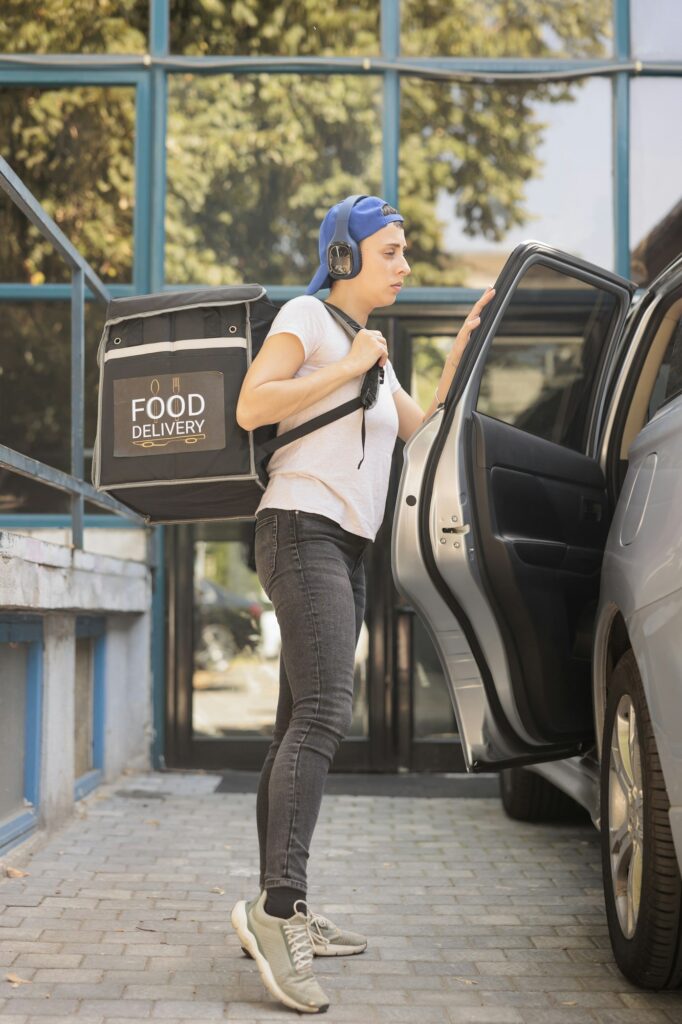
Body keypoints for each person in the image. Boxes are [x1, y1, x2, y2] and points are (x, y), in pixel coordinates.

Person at [230, 194, 495, 1013]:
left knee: (293, 728)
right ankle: (276, 912)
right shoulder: (307, 316)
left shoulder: (373, 354)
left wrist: (463, 347)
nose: (405, 263)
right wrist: (348, 367)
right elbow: (251, 405)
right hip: (300, 526)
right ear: (345, 257)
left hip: (344, 543)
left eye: (406, 250)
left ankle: (287, 905)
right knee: (325, 714)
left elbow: (425, 433)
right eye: (390, 250)